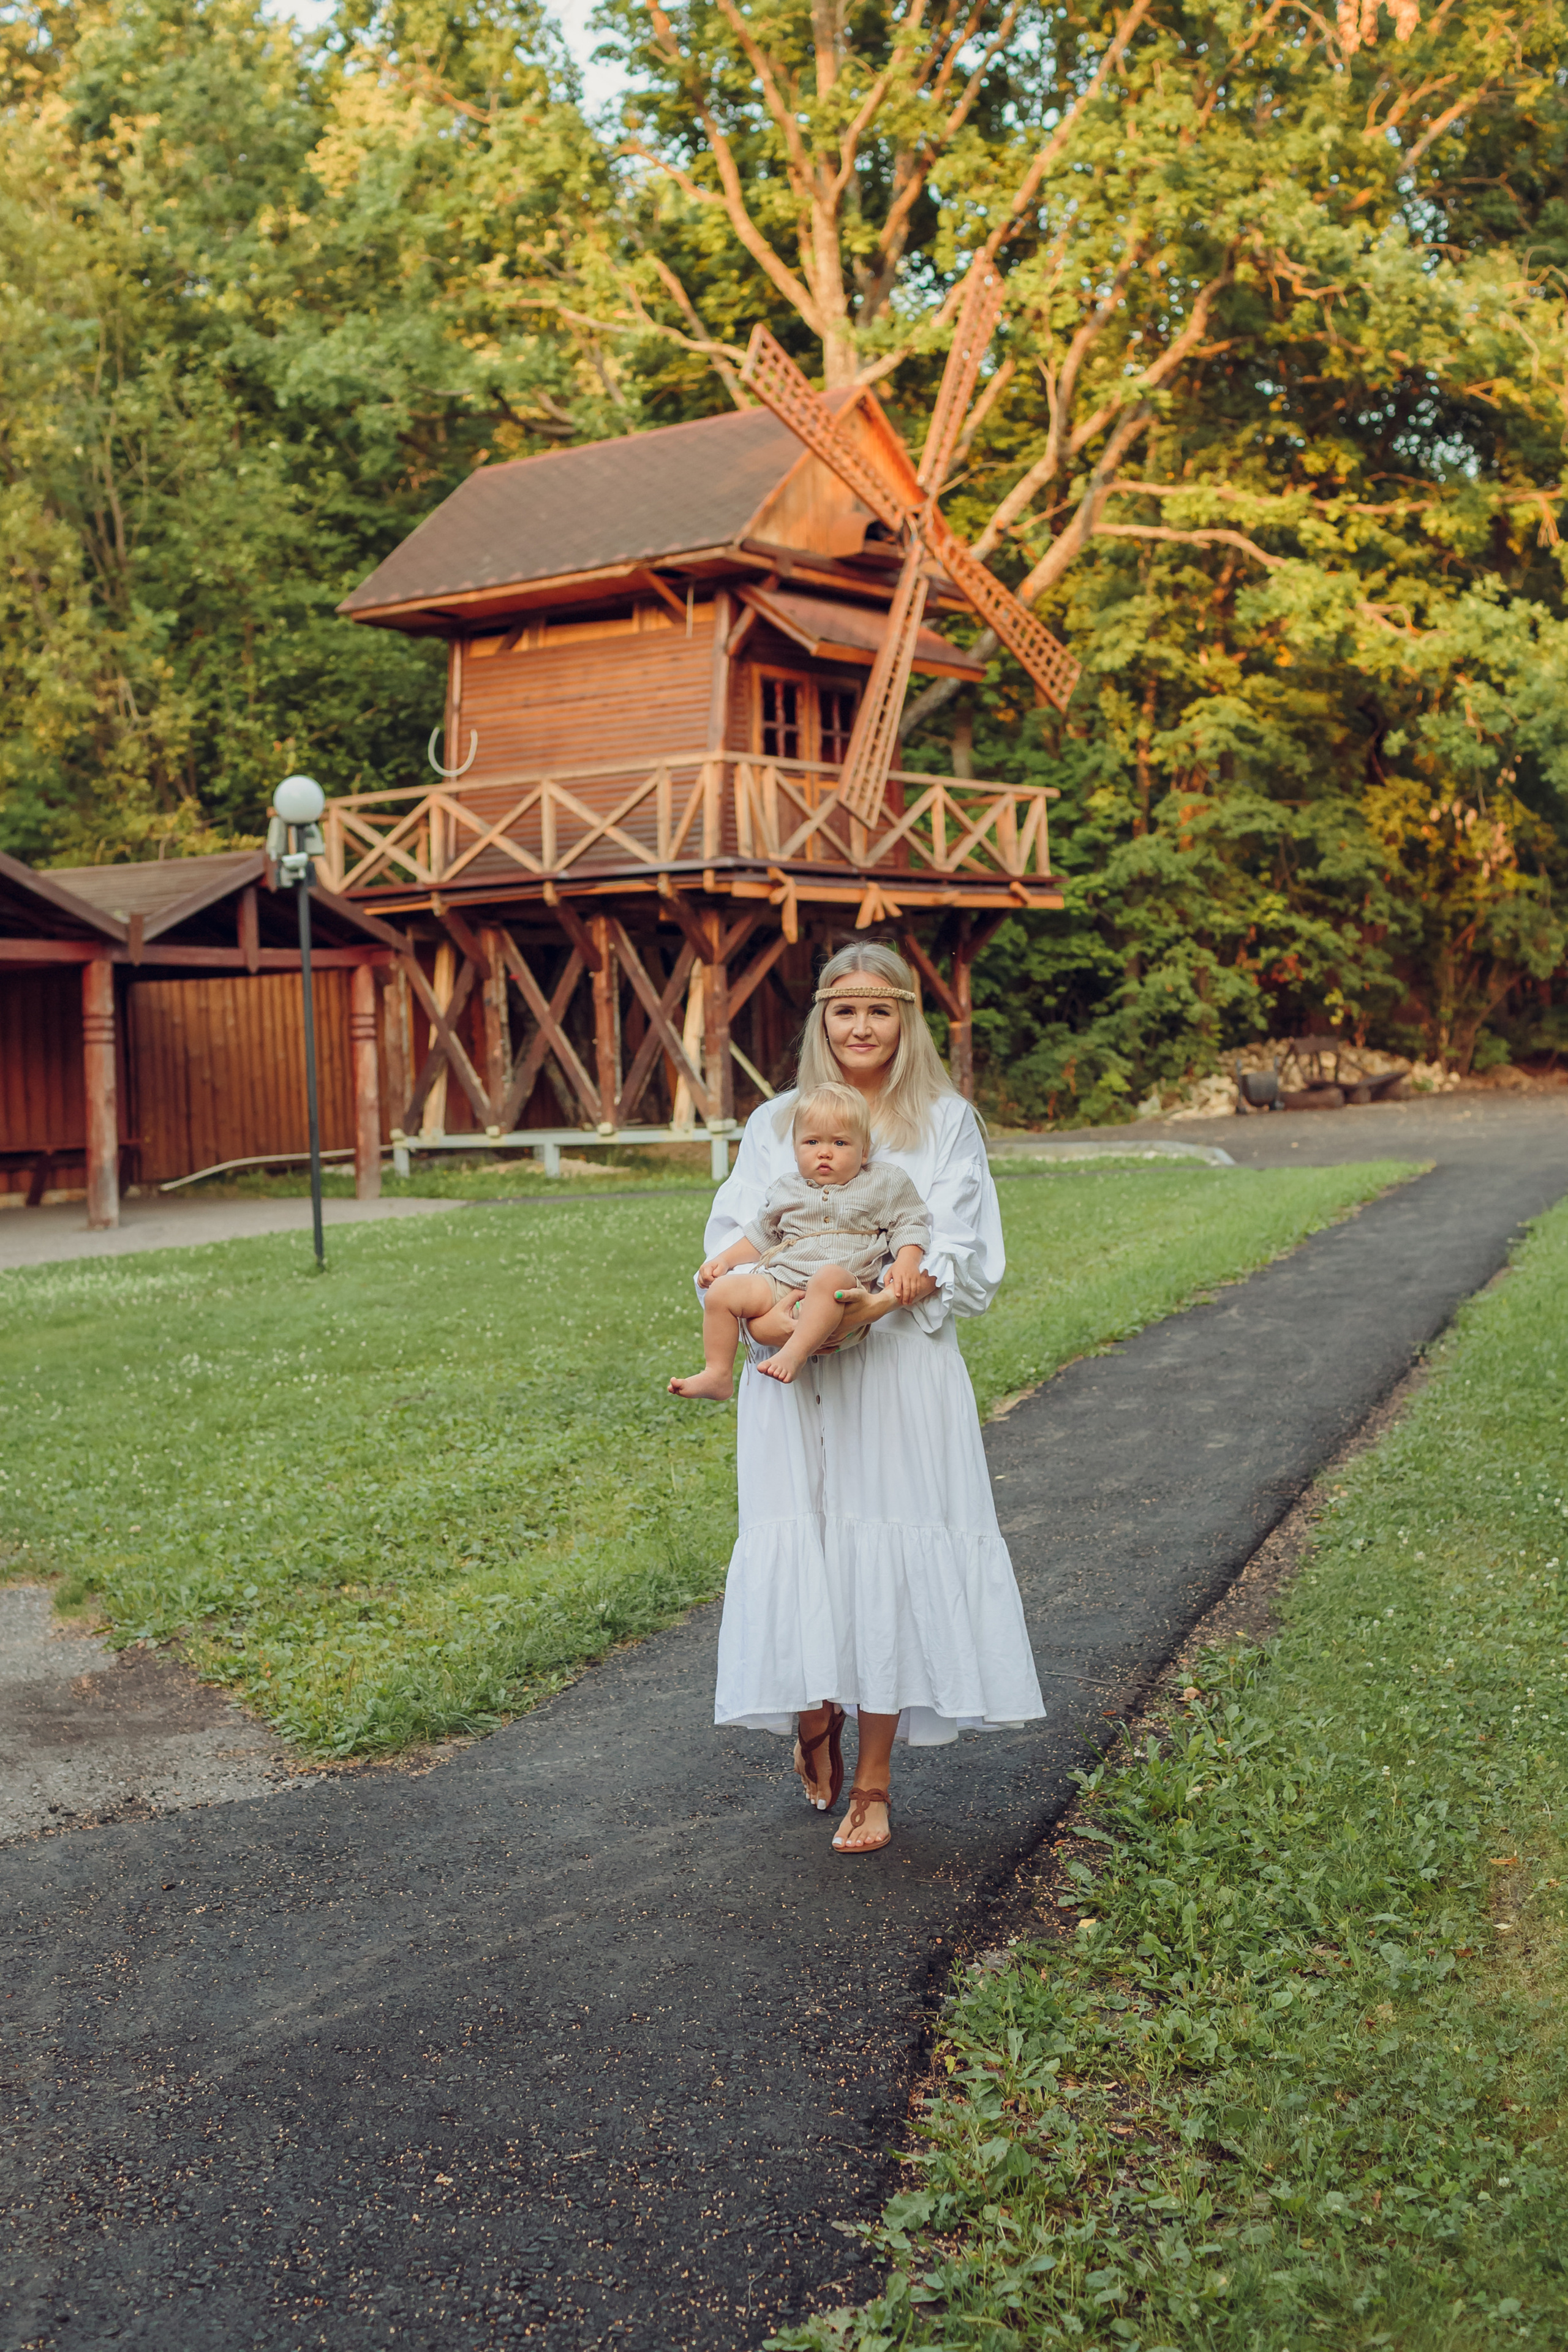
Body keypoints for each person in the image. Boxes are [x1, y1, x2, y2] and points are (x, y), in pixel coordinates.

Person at [704, 939, 1046, 1856]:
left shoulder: (944, 1120)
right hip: (796, 1364)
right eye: (843, 1009)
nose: (861, 1026)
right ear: (822, 1019)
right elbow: (736, 1232)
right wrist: (774, 1319)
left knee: (886, 1550)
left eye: (880, 1009)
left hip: (897, 1365)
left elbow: (959, 1249)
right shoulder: (780, 1118)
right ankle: (816, 1715)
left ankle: (876, 1781)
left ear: (906, 1019)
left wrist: (881, 1304)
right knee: (808, 1540)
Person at [668, 1082, 930, 1398]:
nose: (825, 1152)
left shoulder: (883, 1182)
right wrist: (724, 1260)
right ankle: (718, 1373)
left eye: (840, 1142)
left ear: (864, 1152)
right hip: (782, 1284)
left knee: (829, 1278)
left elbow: (910, 1222)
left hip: (845, 1296)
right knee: (722, 1293)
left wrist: (907, 1260)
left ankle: (795, 1353)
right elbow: (762, 1236)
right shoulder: (786, 1189)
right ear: (795, 1150)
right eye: (812, 1141)